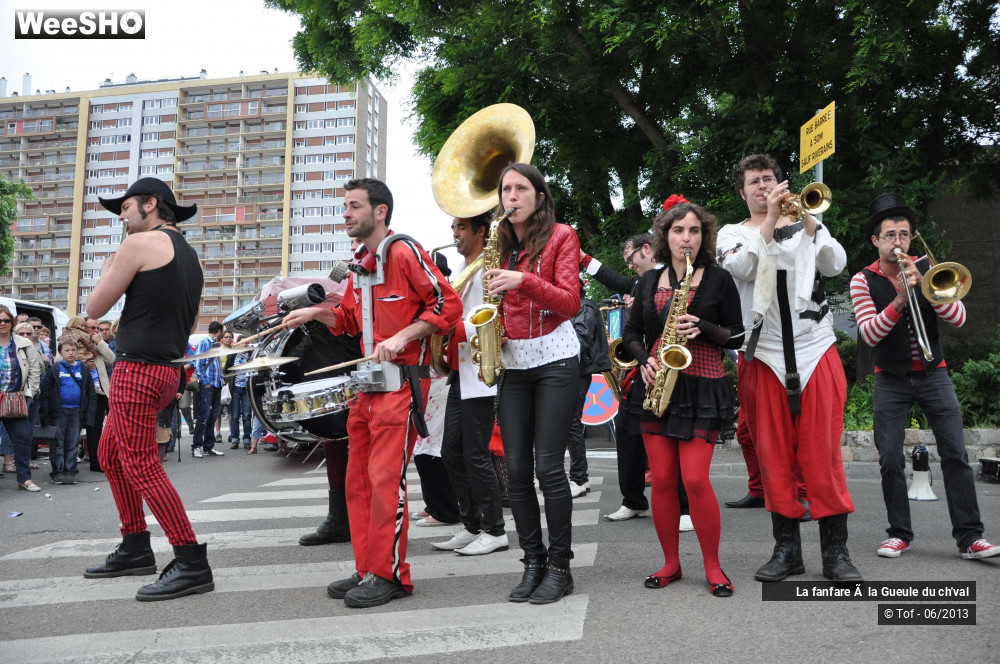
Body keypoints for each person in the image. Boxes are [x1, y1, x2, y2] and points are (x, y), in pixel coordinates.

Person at [282, 177, 462, 609]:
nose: (345, 213)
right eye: (345, 205)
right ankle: (367, 567)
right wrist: (316, 313)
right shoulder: (359, 262)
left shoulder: (403, 251)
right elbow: (346, 320)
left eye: (354, 206)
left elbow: (446, 304)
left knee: (385, 482)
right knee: (358, 482)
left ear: (380, 211)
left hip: (401, 386)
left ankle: (392, 575)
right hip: (364, 388)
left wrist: (403, 337)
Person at [721, 154, 860, 583]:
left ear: (781, 182)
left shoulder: (808, 222)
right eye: (754, 182)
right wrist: (771, 222)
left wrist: (811, 223)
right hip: (763, 354)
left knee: (822, 453)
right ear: (741, 192)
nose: (763, 187)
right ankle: (787, 550)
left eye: (769, 179)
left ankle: (836, 553)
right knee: (774, 457)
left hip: (815, 348)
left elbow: (835, 265)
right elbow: (741, 267)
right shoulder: (732, 233)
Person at [83, 177, 213, 601]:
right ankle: (135, 545)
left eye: (125, 207)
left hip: (137, 369)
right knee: (109, 453)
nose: (120, 215)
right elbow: (190, 325)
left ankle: (191, 561)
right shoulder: (192, 258)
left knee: (141, 465)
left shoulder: (137, 245)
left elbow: (95, 308)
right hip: (169, 370)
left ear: (150, 205)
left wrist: (107, 270)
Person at [850, 193, 1000, 560]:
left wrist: (928, 292)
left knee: (955, 454)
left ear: (911, 238)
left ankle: (970, 538)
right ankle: (899, 533)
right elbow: (869, 334)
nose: (897, 241)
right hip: (890, 378)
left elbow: (960, 320)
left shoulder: (928, 267)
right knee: (888, 457)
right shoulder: (862, 280)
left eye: (903, 234)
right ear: (876, 240)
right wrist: (899, 299)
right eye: (889, 235)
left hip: (936, 374)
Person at [623, 197, 743, 597]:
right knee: (661, 480)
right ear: (665, 236)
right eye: (678, 231)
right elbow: (632, 333)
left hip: (703, 383)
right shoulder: (647, 280)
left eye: (693, 230)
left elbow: (738, 334)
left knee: (694, 479)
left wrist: (703, 326)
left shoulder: (719, 279)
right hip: (657, 383)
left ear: (703, 235)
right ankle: (671, 562)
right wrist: (643, 361)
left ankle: (713, 565)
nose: (686, 238)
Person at [483, 163, 581, 604]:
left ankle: (561, 567)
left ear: (539, 197)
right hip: (514, 363)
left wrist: (523, 280)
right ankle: (533, 562)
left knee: (547, 469)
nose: (512, 197)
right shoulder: (500, 245)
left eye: (521, 188)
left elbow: (570, 301)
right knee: (517, 472)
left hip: (556, 359)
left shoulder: (563, 236)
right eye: (506, 190)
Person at [433, 213, 509, 555]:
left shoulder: (488, 267)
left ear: (481, 231)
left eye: (461, 227)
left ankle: (495, 530)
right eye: (453, 227)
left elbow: (493, 318)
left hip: (482, 369)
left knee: (476, 453)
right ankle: (473, 524)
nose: (454, 234)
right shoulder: (464, 272)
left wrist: (451, 326)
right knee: (451, 452)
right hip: (462, 368)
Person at [582, 234, 658, 521]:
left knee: (669, 435)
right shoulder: (639, 282)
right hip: (642, 363)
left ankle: (684, 508)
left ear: (647, 249)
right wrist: (582, 258)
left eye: (631, 259)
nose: (629, 266)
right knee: (627, 430)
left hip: (667, 361)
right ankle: (634, 499)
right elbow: (611, 278)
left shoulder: (670, 276)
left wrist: (637, 306)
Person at [568, 278, 612, 498]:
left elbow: (580, 339)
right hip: (577, 369)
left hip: (578, 370)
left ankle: (579, 478)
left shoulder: (583, 307)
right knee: (571, 423)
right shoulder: (582, 306)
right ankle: (578, 477)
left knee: (572, 423)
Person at [39, 339, 96, 485]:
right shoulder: (54, 369)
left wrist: (89, 414)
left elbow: (90, 392)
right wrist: (44, 414)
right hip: (59, 412)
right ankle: (57, 472)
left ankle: (70, 471)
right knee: (58, 443)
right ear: (60, 353)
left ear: (77, 351)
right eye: (67, 350)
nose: (70, 353)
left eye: (73, 350)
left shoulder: (83, 368)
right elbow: (44, 392)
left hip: (77, 411)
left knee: (72, 443)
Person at [0, 306, 42, 492]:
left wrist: (29, 395)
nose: (2, 324)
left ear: (12, 323)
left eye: (6, 320)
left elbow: (34, 370)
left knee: (23, 438)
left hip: (15, 398)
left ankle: (24, 479)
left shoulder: (23, 344)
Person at [82, 317, 115, 472]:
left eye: (98, 328)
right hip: (84, 393)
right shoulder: (76, 343)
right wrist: (83, 363)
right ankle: (91, 460)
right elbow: (60, 360)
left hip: (101, 391)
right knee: (90, 429)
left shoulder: (98, 345)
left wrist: (100, 343)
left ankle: (99, 461)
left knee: (100, 428)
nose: (96, 331)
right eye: (92, 328)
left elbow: (112, 359)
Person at [189, 321, 225, 458]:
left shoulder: (215, 344)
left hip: (216, 384)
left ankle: (209, 446)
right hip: (208, 385)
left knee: (212, 417)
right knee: (203, 417)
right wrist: (205, 382)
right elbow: (198, 363)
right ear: (219, 331)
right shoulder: (204, 343)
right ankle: (196, 446)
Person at [224, 344, 253, 450]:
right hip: (235, 388)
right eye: (242, 343)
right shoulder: (232, 356)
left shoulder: (251, 356)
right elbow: (226, 370)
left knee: (246, 415)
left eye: (246, 343)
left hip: (246, 388)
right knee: (235, 416)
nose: (244, 345)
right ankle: (235, 439)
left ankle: (247, 439)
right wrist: (228, 381)